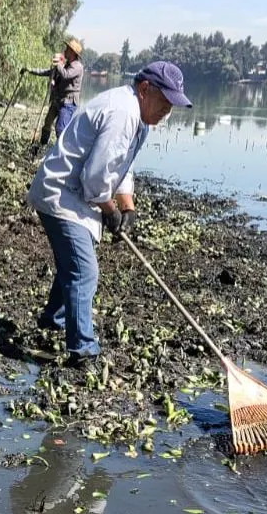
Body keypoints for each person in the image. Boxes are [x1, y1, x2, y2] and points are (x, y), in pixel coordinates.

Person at [27, 61, 193, 367]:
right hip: (61, 195)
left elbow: (121, 167)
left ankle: (53, 320)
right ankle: (82, 350)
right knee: (84, 271)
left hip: (76, 196)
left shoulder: (138, 117)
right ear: (145, 89)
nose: (166, 112)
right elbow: (95, 177)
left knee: (73, 264)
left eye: (172, 106)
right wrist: (109, 210)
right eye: (164, 102)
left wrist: (126, 207)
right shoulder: (123, 113)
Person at [22, 38, 85, 149]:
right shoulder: (65, 65)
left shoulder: (77, 67)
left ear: (73, 53)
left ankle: (63, 151)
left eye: (67, 49)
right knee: (47, 123)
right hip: (58, 100)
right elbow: (48, 72)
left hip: (68, 103)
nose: (65, 50)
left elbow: (66, 75)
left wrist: (58, 64)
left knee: (60, 128)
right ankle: (42, 145)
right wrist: (30, 70)